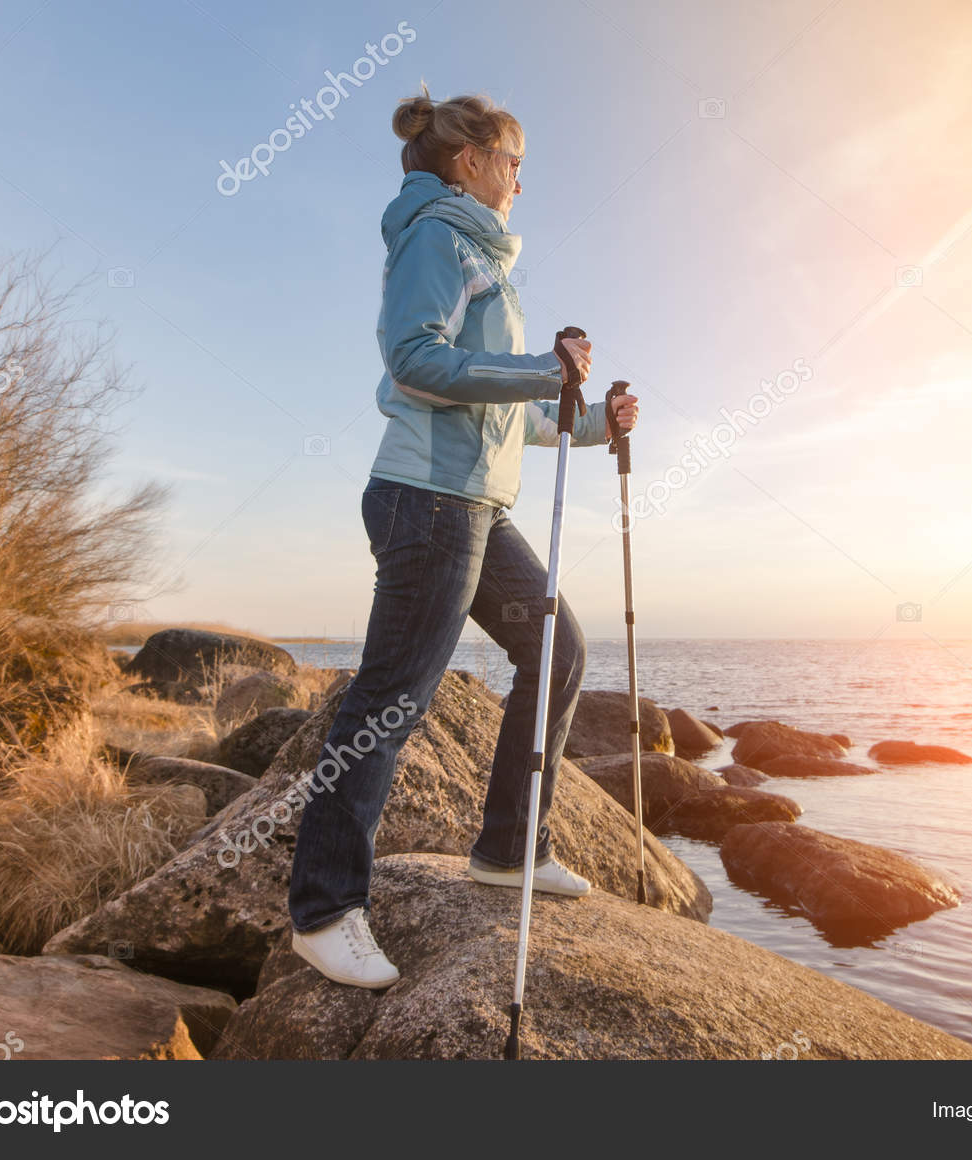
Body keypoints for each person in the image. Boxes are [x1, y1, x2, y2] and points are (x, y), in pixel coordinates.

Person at [286, 89, 640, 989]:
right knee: (392, 698)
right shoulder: (435, 238)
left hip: (477, 503)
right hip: (426, 499)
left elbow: (501, 414)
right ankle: (324, 912)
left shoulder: (482, 253)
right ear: (471, 159)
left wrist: (595, 419)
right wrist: (537, 369)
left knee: (558, 648)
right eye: (514, 159)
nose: (524, 177)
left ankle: (511, 848)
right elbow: (414, 359)